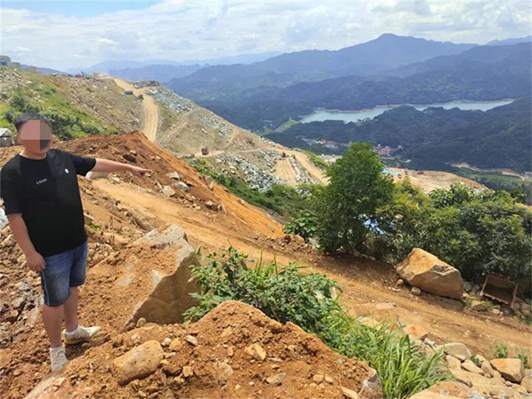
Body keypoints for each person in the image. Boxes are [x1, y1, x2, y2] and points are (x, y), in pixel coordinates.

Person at [0, 112, 149, 372]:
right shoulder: (13, 172)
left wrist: (128, 168)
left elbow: (94, 164)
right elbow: (14, 217)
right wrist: (29, 253)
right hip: (50, 251)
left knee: (73, 288)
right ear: (22, 138)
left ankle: (72, 331)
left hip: (77, 242)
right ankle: (56, 351)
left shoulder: (62, 157)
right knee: (54, 299)